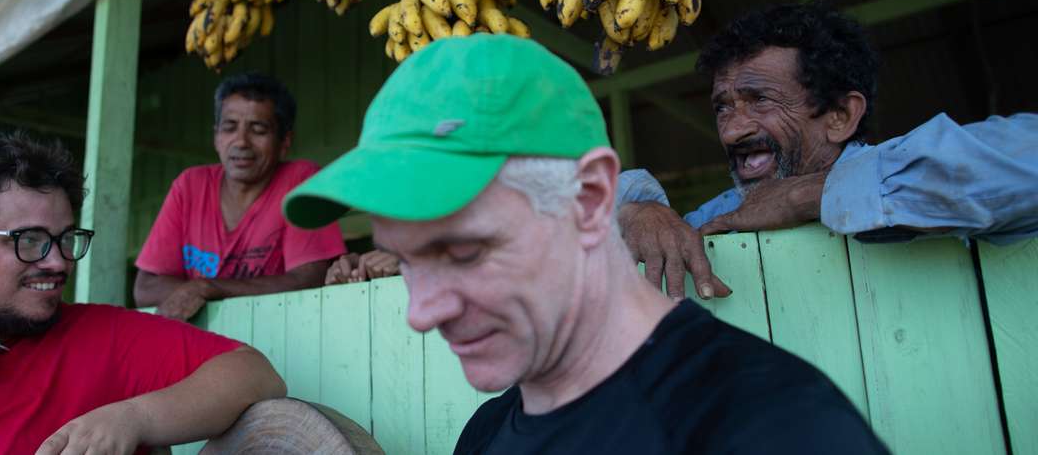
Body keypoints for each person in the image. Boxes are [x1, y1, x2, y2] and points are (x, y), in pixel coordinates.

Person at [282, 35, 888, 454]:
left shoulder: (771, 428)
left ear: (594, 198)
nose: (421, 312)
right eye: (409, 262)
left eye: (464, 251)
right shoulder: (485, 434)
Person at [0, 132, 285, 454]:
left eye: (65, 238)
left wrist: (135, 418)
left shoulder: (99, 335)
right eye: (28, 240)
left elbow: (255, 374)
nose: (58, 262)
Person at [615, 2, 1038, 300]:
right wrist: (636, 210)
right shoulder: (714, 220)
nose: (732, 131)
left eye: (760, 99)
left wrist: (809, 195)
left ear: (840, 115)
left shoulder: (910, 175)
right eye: (723, 106)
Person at [133, 73, 347, 320]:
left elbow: (309, 279)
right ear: (216, 136)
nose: (241, 141)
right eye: (230, 127)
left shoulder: (300, 180)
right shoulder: (190, 185)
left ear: (285, 141)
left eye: (258, 129)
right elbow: (145, 288)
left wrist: (206, 288)